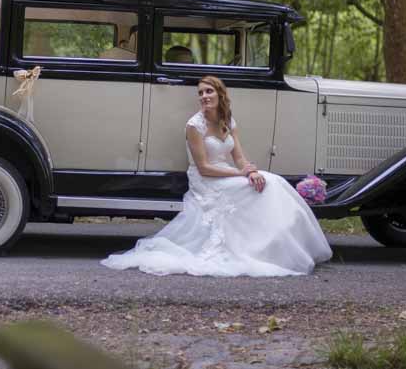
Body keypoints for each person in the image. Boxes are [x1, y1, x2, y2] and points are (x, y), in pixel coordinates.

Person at [101, 75, 332, 277]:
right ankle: (257, 250)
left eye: (209, 91)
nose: (204, 96)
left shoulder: (228, 121)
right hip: (207, 180)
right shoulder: (194, 125)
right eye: (200, 93)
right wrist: (240, 173)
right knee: (255, 188)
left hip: (228, 174)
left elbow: (239, 157)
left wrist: (250, 171)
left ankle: (276, 248)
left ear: (220, 94)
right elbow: (203, 167)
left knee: (272, 182)